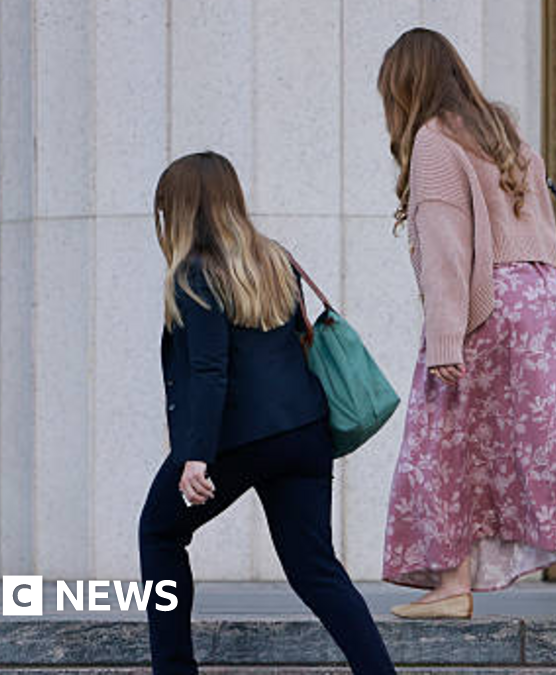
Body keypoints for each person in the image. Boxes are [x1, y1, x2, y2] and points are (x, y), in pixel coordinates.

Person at [376, 28, 556, 639]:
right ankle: (455, 586)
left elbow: (449, 251)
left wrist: (447, 337)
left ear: (406, 86)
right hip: (546, 300)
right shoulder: (503, 133)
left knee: (438, 440)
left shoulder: (432, 141)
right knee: (546, 438)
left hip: (488, 306)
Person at [138, 152, 397, 673]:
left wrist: (195, 457)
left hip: (236, 441)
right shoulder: (274, 259)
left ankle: (173, 669)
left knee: (159, 533)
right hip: (304, 434)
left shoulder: (194, 275)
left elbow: (212, 372)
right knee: (316, 570)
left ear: (183, 210)